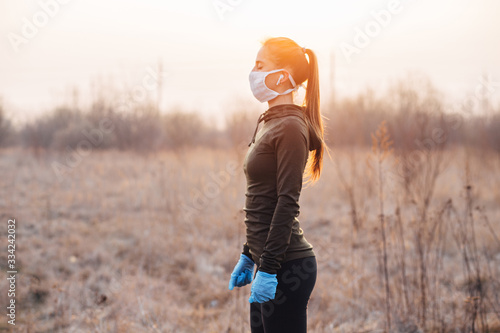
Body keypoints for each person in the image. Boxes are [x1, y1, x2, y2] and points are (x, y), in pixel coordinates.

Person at [228, 37, 326, 333]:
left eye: (261, 65)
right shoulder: (269, 121)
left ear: (283, 76)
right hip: (267, 261)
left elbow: (286, 201)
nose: (253, 73)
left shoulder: (292, 128)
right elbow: (262, 198)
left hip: (287, 266)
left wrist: (269, 268)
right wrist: (249, 253)